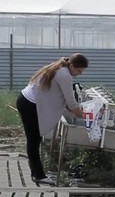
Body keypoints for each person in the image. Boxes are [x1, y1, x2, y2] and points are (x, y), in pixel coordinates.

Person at [16, 53, 88, 186]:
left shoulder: (60, 70)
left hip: (27, 101)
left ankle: (37, 173)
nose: (80, 74)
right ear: (71, 65)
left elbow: (61, 100)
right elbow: (71, 102)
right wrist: (85, 116)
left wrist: (77, 113)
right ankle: (38, 175)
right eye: (79, 71)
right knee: (33, 140)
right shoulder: (64, 75)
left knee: (34, 140)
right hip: (29, 104)